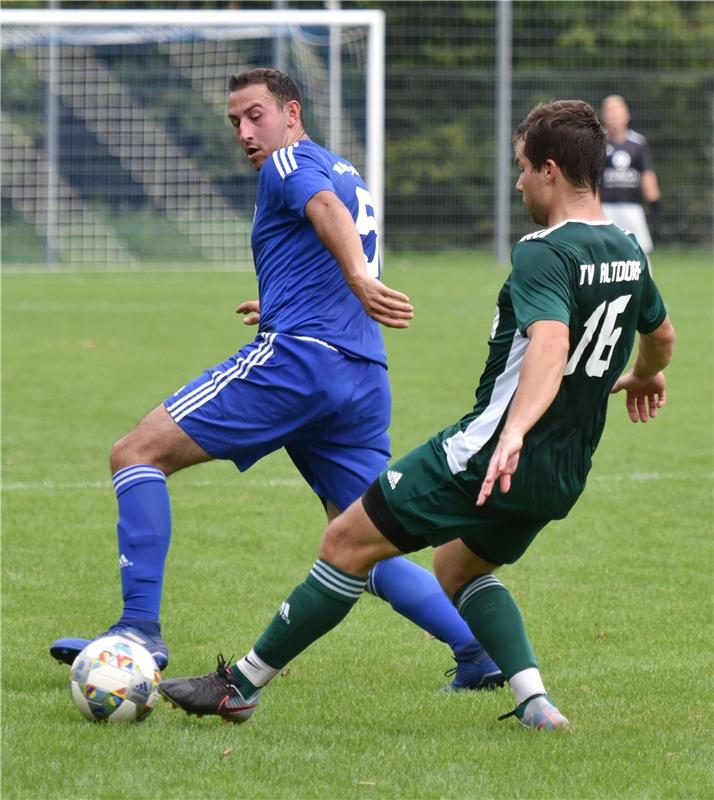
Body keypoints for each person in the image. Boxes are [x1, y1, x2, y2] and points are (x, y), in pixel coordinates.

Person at [158, 99, 676, 731]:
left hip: (489, 453)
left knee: (345, 541)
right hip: (563, 470)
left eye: (521, 169)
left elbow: (550, 343)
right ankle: (535, 701)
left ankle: (238, 686)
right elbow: (663, 335)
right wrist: (645, 374)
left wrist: (512, 431)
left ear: (549, 170)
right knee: (458, 567)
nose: (517, 184)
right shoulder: (627, 247)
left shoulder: (544, 251)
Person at [49, 68, 504, 692]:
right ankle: (476, 649)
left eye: (255, 114)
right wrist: (296, 299)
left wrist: (355, 281)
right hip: (361, 375)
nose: (244, 131)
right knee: (358, 535)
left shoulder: (288, 165)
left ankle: (137, 632)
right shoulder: (343, 168)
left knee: (135, 454)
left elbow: (324, 213)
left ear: (292, 112)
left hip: (302, 364)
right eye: (234, 121)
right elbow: (330, 226)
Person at [600, 94, 661, 254]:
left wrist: (654, 202)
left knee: (639, 251)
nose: (614, 116)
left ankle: (643, 279)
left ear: (626, 115)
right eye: (610, 112)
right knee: (605, 252)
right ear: (604, 116)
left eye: (617, 111)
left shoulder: (638, 143)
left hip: (632, 207)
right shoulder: (599, 142)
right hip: (604, 208)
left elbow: (646, 173)